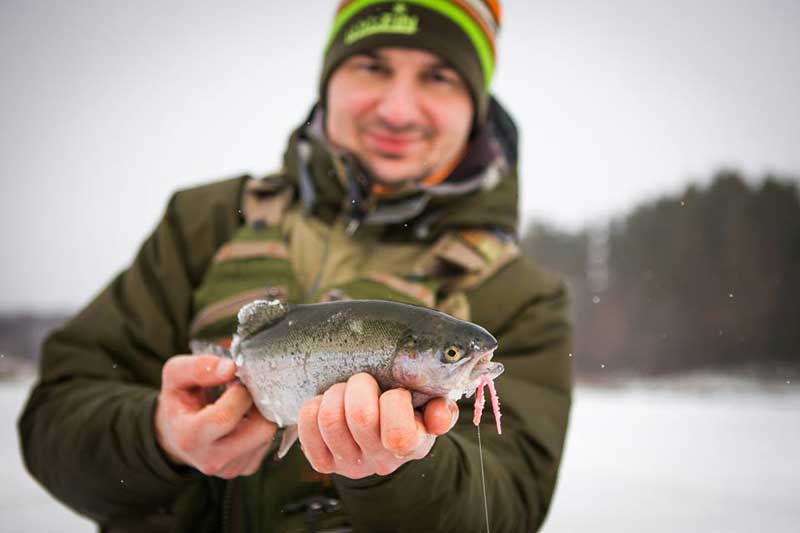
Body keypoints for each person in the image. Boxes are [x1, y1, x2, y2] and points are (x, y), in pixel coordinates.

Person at [19, 1, 572, 532]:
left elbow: (505, 508)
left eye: (439, 77)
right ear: (328, 79)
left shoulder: (522, 295)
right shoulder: (204, 221)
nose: (397, 109)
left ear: (476, 103)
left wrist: (398, 471)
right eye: (371, 66)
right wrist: (158, 436)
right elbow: (52, 422)